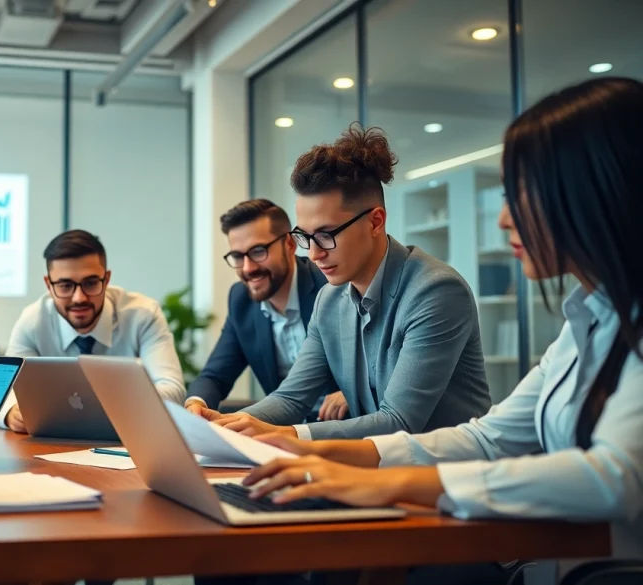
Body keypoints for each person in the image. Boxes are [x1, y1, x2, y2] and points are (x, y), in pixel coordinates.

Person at [242, 77, 643, 585]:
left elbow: (613, 479)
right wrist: (311, 450)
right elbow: (489, 437)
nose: (502, 220)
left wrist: (384, 482)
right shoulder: (587, 319)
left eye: (523, 195)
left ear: (595, 196)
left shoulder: (436, 289)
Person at [197, 124, 492, 440]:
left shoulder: (435, 291)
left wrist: (289, 435)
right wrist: (219, 427)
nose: (313, 254)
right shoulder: (330, 299)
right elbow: (291, 398)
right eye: (305, 237)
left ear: (375, 221)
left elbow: (399, 421)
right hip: (374, 473)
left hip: (452, 478)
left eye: (325, 235)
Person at [0, 229, 185, 432]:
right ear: (48, 285)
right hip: (51, 444)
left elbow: (172, 390)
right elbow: (1, 391)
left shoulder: (142, 315)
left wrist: (102, 406)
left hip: (128, 443)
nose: (79, 297)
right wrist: (10, 413)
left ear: (107, 279)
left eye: (91, 283)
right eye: (65, 285)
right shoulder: (33, 321)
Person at [184, 199, 347, 422]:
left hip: (346, 429)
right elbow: (214, 376)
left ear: (289, 245)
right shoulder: (241, 301)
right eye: (238, 257)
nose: (249, 268)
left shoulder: (331, 285)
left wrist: (352, 393)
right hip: (282, 432)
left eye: (258, 251)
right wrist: (196, 404)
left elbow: (380, 363)